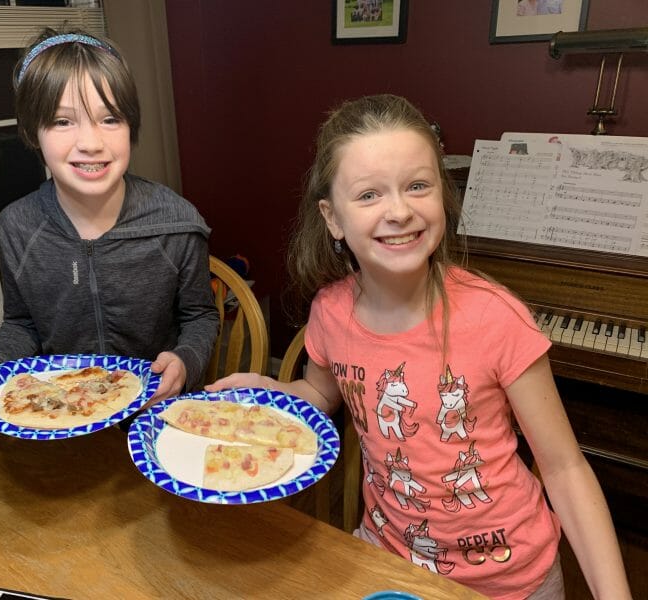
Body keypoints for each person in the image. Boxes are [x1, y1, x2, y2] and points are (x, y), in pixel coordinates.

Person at [207, 95, 631, 599]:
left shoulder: (496, 318)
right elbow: (322, 394)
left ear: (443, 196)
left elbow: (565, 469)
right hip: (390, 561)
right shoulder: (331, 312)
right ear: (333, 218)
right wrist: (272, 392)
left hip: (509, 579)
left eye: (417, 186)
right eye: (369, 195)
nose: (400, 211)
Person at [0, 28, 219, 403]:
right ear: (34, 132)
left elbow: (201, 317)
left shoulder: (178, 222)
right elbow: (21, 323)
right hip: (62, 413)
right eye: (63, 121)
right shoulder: (18, 227)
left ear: (131, 126)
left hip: (151, 410)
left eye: (110, 118)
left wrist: (185, 360)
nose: (92, 143)